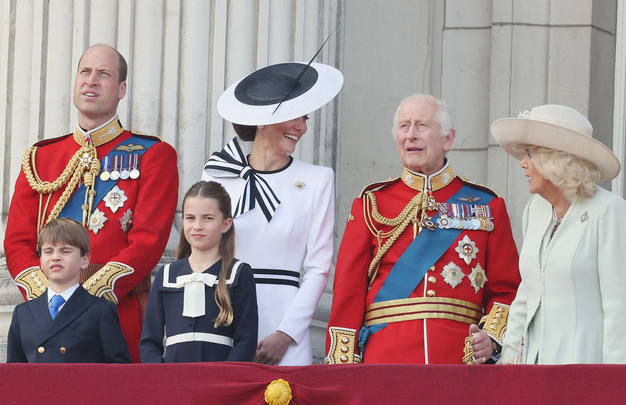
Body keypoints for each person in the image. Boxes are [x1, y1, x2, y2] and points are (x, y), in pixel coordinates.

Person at [4, 44, 179, 363]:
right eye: (85, 72)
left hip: (115, 315)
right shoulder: (40, 158)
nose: (92, 81)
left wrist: (83, 299)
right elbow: (17, 242)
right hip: (46, 317)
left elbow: (149, 242)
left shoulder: (152, 155)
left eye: (104, 74)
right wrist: (52, 296)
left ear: (122, 88)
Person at [326, 94, 520, 365]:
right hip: (384, 360)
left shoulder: (487, 204)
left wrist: (491, 337)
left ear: (447, 139)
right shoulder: (371, 204)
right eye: (404, 126)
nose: (411, 135)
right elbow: (349, 294)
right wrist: (343, 367)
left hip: (459, 361)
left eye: (422, 126)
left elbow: (507, 289)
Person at [203, 62, 343, 365]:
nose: (303, 127)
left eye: (305, 118)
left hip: (285, 327)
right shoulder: (217, 176)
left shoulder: (319, 179)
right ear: (263, 118)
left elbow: (319, 269)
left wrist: (286, 333)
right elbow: (202, 256)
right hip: (222, 317)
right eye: (296, 115)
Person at [492, 104, 626, 364]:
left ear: (555, 161)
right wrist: (508, 361)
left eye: (530, 154)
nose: (522, 163)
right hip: (533, 371)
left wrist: (615, 384)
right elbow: (526, 294)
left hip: (584, 371)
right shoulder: (536, 209)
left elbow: (619, 307)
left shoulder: (609, 211)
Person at [139, 181, 258, 363]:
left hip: (219, 382)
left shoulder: (239, 273)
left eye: (208, 218)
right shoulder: (167, 274)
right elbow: (149, 342)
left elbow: (246, 342)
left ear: (226, 224)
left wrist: (224, 379)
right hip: (172, 383)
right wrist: (161, 377)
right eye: (190, 218)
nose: (197, 226)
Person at [7, 218, 130, 363]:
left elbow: (119, 369)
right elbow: (13, 372)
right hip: (35, 386)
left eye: (65, 251)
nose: (55, 258)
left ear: (84, 260)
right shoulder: (23, 313)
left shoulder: (100, 310)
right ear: (40, 260)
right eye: (48, 251)